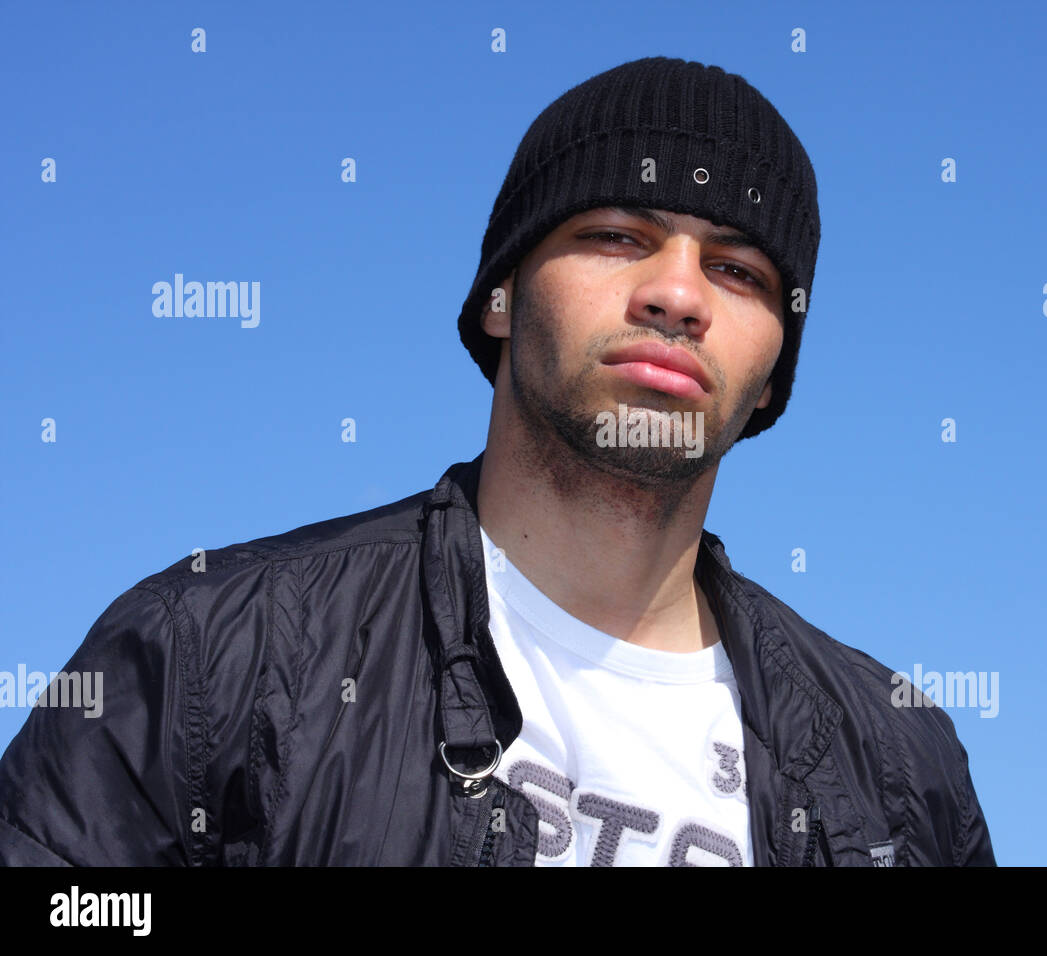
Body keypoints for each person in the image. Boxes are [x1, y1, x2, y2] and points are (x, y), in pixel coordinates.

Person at [0, 56, 995, 866]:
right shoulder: (216, 651)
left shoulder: (898, 760)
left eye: (737, 270)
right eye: (617, 233)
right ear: (501, 298)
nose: (678, 295)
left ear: (773, 373)